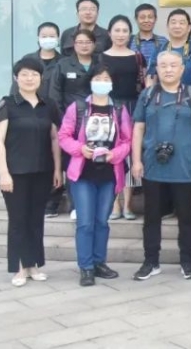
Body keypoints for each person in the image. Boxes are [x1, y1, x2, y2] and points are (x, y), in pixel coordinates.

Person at [130, 51, 191, 281]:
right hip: (153, 165)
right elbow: (138, 128)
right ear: (157, 69)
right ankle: (150, 261)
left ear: (182, 69)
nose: (168, 70)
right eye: (163, 65)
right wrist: (136, 160)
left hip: (184, 165)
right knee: (151, 216)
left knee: (186, 216)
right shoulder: (147, 95)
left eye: (173, 65)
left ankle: (188, 261)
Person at [57, 65, 133, 286]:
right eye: (98, 78)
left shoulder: (119, 109)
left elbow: (127, 140)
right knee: (85, 223)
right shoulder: (78, 107)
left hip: (109, 173)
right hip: (83, 173)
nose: (102, 82)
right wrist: (80, 149)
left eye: (106, 79)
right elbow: (63, 136)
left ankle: (100, 262)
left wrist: (114, 154)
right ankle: (86, 267)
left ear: (112, 83)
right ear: (91, 82)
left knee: (102, 221)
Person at [0, 58, 62, 287]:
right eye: (24, 74)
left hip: (42, 171)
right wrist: (3, 173)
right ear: (16, 78)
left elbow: (55, 139)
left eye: (34, 74)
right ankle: (19, 267)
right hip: (15, 173)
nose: (29, 78)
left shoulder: (49, 105)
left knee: (36, 219)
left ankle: (34, 264)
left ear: (41, 78)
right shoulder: (6, 104)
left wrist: (57, 168)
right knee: (18, 220)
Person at [47, 28, 100, 218]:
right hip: (71, 122)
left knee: (95, 162)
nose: (84, 46)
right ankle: (75, 205)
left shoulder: (100, 63)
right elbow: (55, 95)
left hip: (97, 121)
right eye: (80, 42)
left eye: (88, 42)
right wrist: (63, 120)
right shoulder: (63, 65)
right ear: (73, 45)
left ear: (94, 45)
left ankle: (95, 203)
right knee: (73, 163)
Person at [102, 15, 147, 221]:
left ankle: (128, 205)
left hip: (132, 108)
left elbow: (143, 84)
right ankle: (114, 205)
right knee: (111, 153)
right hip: (108, 108)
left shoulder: (137, 57)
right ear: (109, 33)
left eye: (125, 31)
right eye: (117, 30)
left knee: (130, 153)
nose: (121, 34)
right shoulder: (100, 58)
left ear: (130, 34)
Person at [147, 9, 191, 88]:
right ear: (167, 27)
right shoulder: (159, 49)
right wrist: (149, 94)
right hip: (163, 94)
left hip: (189, 94)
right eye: (173, 23)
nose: (177, 26)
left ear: (189, 28)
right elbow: (151, 77)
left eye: (181, 23)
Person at [10, 22, 62, 97]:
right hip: (30, 102)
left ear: (58, 38)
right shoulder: (28, 59)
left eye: (52, 36)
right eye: (44, 36)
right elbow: (17, 84)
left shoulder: (63, 61)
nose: (48, 39)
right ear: (38, 38)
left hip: (55, 103)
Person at [130, 3, 168, 68]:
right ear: (136, 19)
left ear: (155, 19)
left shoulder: (163, 41)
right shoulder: (129, 41)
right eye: (142, 17)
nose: (146, 20)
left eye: (150, 17)